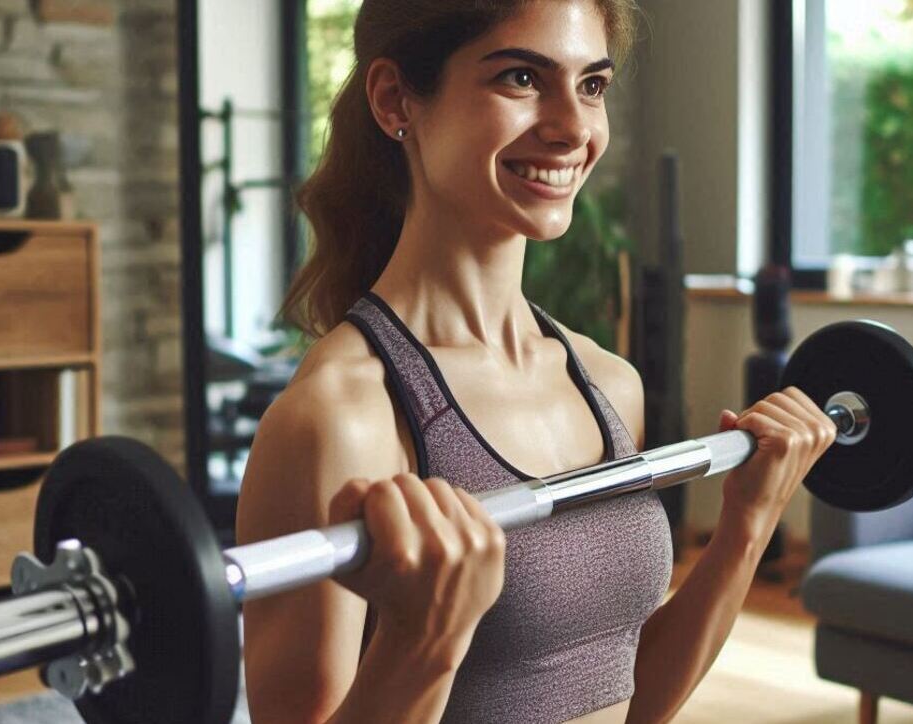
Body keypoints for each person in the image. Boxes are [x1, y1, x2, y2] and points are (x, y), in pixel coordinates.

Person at [235, 1, 837, 722]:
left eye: (591, 85)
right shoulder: (340, 418)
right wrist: (425, 639)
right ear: (395, 98)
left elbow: (628, 695)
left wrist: (748, 524)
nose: (573, 128)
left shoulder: (608, 384)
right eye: (522, 77)